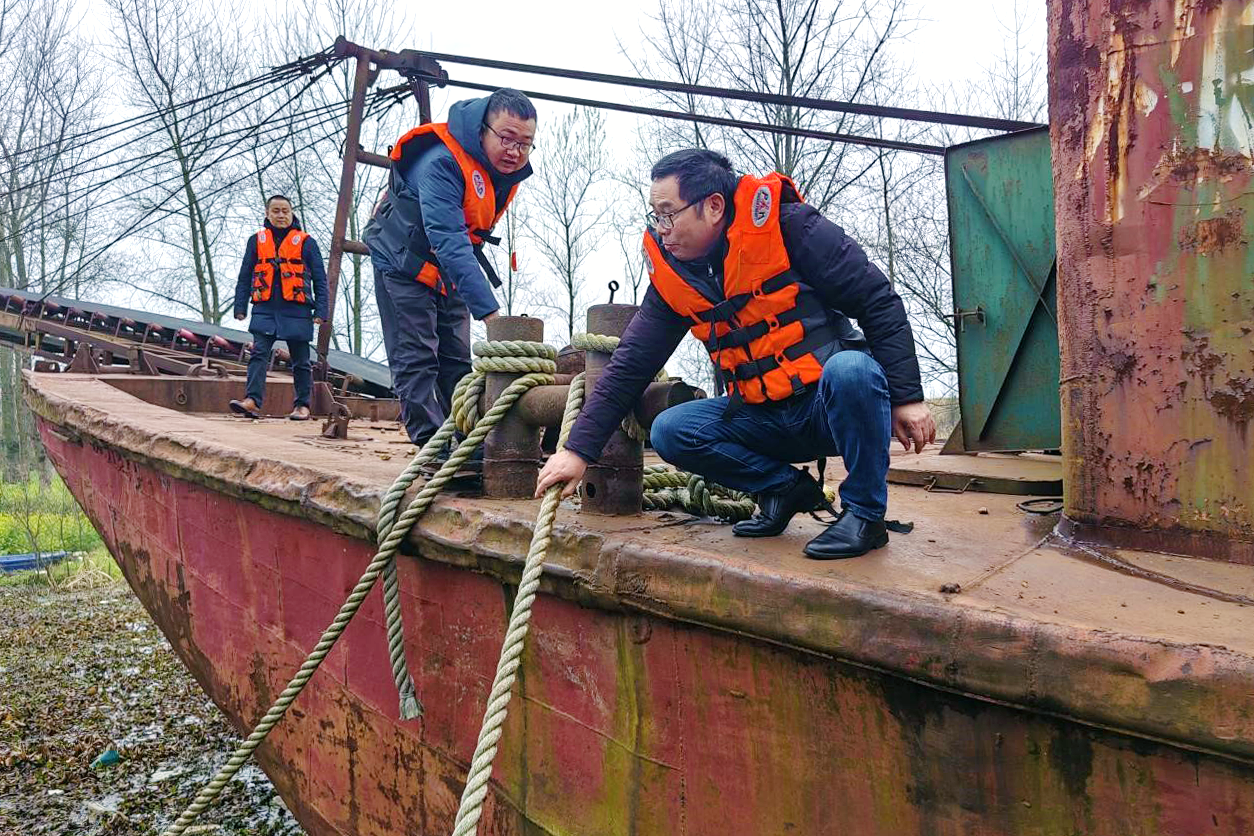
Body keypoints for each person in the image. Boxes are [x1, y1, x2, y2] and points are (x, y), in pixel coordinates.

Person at [536, 149, 936, 559]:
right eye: (655, 216)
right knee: (671, 430)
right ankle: (782, 489)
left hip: (828, 409)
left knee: (853, 369)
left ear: (713, 206)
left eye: (669, 214)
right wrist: (577, 451)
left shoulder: (792, 227)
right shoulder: (674, 279)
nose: (662, 230)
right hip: (762, 418)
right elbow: (630, 365)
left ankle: (865, 516)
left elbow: (878, 301)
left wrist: (907, 398)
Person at [363, 89, 536, 447]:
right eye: (506, 139)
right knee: (417, 356)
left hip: (447, 268)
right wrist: (489, 312)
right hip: (403, 261)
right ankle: (433, 449)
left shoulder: (495, 170)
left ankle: (468, 443)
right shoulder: (441, 162)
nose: (514, 152)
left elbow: (462, 241)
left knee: (456, 359)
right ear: (482, 130)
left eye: (525, 144)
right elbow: (448, 238)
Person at [229, 194, 328, 420]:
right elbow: (244, 276)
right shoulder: (256, 241)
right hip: (265, 309)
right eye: (276, 211)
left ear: (292, 213)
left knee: (301, 360)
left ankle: (302, 406)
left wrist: (321, 312)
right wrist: (240, 306)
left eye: (285, 210)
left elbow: (320, 279)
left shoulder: (306, 242)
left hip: (297, 310)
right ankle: (252, 401)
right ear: (267, 214)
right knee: (258, 354)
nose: (281, 215)